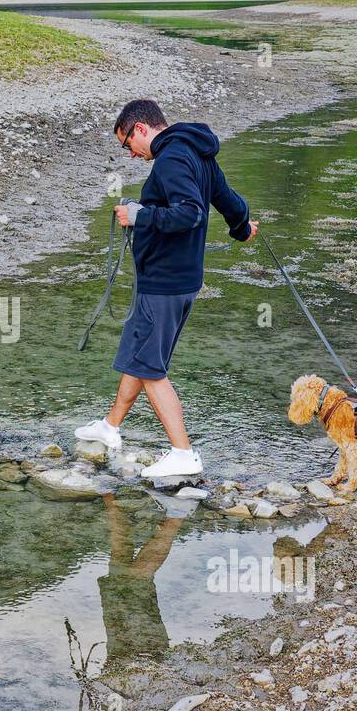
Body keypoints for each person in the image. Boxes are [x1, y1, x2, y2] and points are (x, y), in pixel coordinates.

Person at [75, 99, 258, 478]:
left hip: (164, 281)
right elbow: (224, 197)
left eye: (127, 144)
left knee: (150, 367)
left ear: (140, 128)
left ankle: (183, 453)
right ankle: (110, 428)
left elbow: (190, 213)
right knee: (140, 355)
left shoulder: (172, 157)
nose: (130, 154)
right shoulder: (196, 150)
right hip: (182, 279)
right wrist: (242, 228)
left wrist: (138, 214)